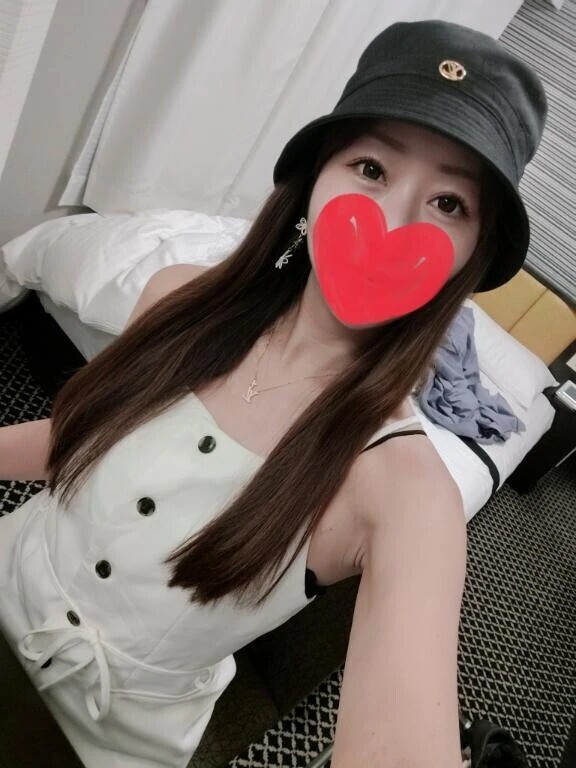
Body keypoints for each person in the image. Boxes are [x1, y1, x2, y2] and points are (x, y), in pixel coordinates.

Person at [0, 19, 546, 768]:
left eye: (450, 204)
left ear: (469, 258)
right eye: (371, 168)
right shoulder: (177, 296)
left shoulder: (408, 493)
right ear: (313, 183)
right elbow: (79, 442)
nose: (392, 222)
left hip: (97, 738)